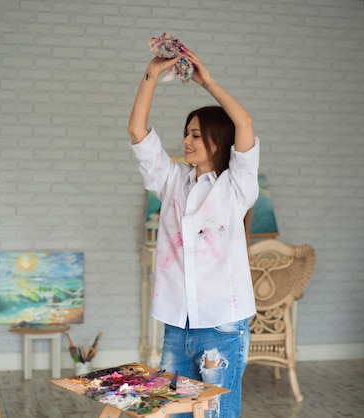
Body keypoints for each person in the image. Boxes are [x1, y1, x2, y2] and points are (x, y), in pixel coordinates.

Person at [128, 47, 260, 418]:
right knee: (173, 412)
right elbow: (138, 132)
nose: (187, 140)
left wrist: (208, 82)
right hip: (177, 323)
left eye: (197, 134)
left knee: (218, 413)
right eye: (186, 133)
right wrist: (151, 75)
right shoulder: (171, 182)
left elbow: (245, 124)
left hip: (222, 325)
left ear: (217, 140)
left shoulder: (236, 187)